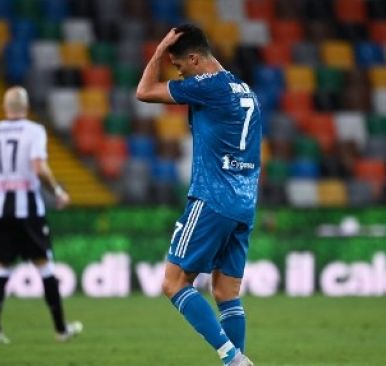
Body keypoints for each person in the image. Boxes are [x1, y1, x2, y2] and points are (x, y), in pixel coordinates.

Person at [136, 24, 261, 366]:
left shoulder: (208, 87)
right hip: (244, 202)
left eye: (179, 65)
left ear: (193, 58)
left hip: (212, 197)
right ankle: (238, 360)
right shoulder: (243, 88)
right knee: (225, 292)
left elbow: (144, 91)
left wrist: (161, 48)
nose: (178, 72)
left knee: (173, 283)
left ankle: (232, 357)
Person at [0, 86, 82, 344]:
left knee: (1, 268)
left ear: (5, 108)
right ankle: (60, 329)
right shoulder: (34, 131)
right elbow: (39, 168)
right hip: (28, 209)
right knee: (44, 265)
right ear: (26, 107)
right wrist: (57, 191)